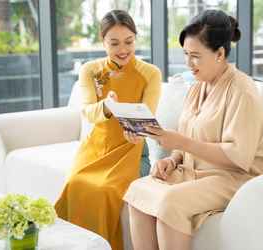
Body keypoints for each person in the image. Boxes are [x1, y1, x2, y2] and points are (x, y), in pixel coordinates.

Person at [123, 9, 263, 250]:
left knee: (171, 202)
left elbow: (239, 157)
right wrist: (172, 159)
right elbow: (191, 136)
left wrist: (180, 144)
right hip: (196, 171)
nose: (188, 63)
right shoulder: (197, 88)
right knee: (139, 190)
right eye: (185, 54)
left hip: (235, 177)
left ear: (220, 54)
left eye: (195, 56)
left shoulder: (242, 91)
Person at [54, 9, 161, 250]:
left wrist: (137, 131)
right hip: (96, 149)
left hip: (131, 151)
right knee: (76, 183)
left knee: (103, 190)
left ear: (136, 38)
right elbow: (88, 111)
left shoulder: (150, 73)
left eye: (129, 41)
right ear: (103, 42)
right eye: (114, 43)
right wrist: (107, 105)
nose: (123, 49)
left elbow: (147, 115)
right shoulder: (90, 70)